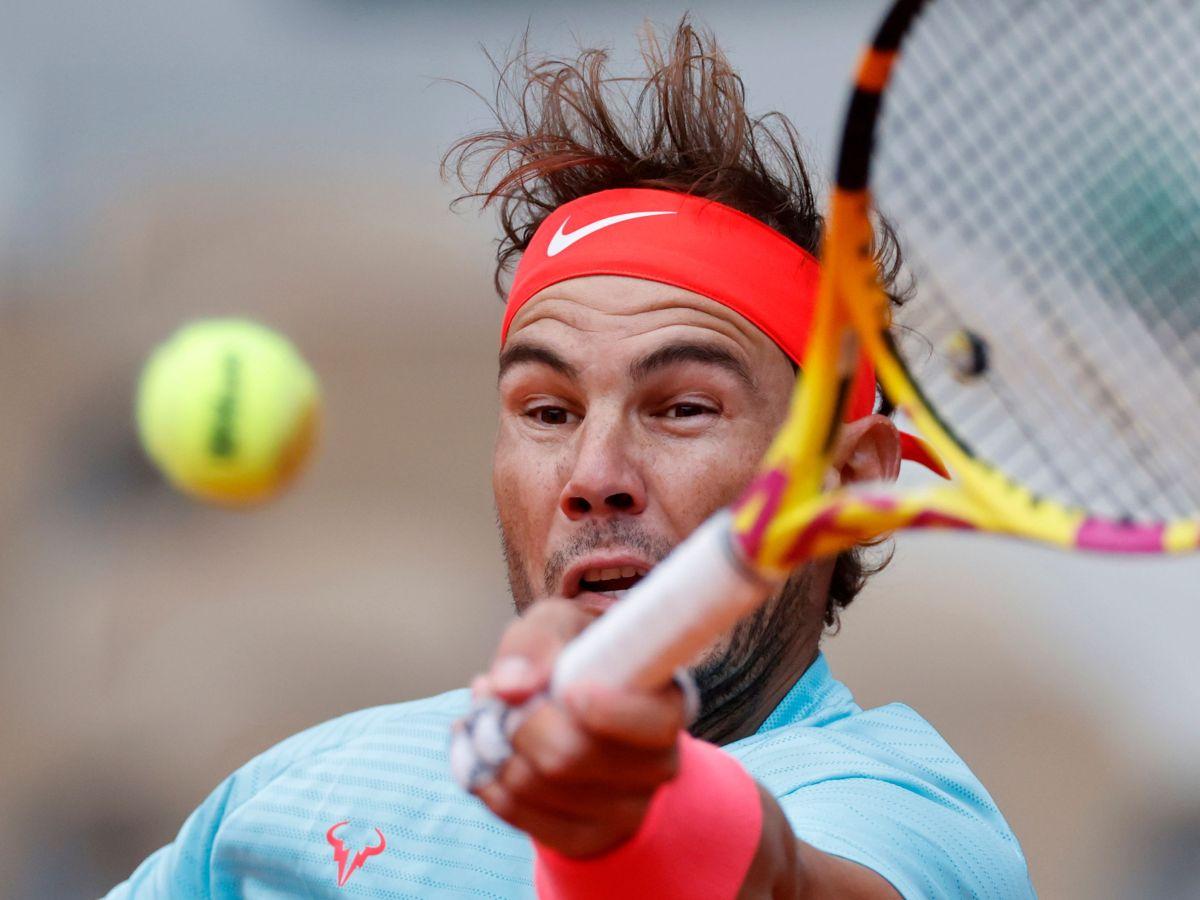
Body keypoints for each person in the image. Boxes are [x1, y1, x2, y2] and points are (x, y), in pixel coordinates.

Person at [108, 21, 1034, 899]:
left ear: (849, 481)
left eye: (682, 408)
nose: (595, 475)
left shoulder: (910, 818)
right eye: (547, 411)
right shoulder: (293, 799)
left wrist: (636, 826)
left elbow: (786, 884)